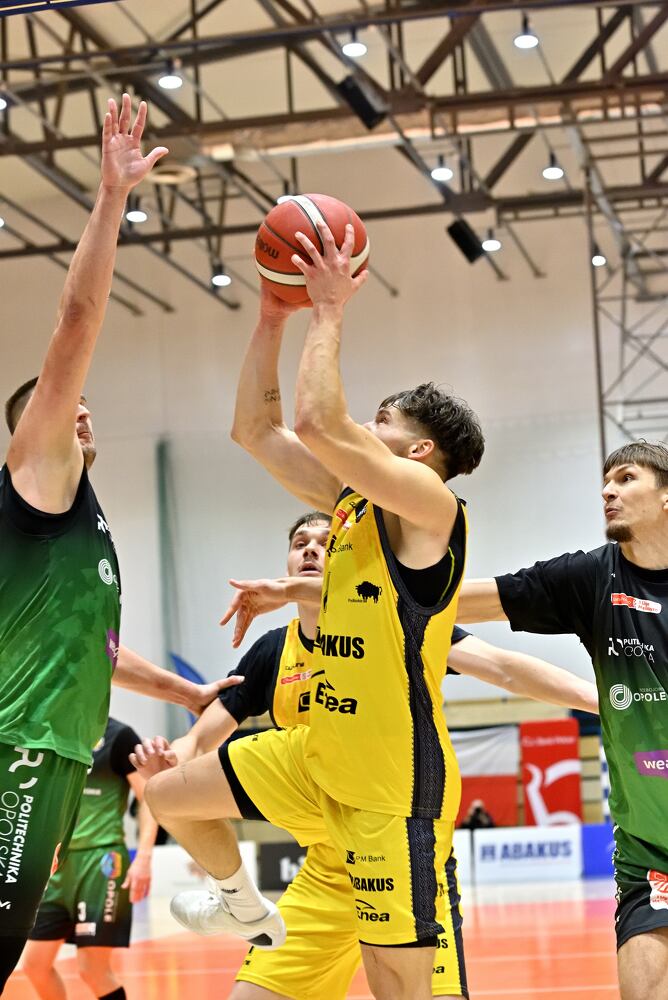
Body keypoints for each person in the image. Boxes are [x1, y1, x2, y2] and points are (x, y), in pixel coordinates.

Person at [134, 510, 598, 1000]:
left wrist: (602, 703)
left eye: (324, 541)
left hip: (406, 848)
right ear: (287, 561)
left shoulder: (392, 622)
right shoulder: (273, 650)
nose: (311, 549)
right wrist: (173, 757)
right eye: (299, 542)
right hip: (326, 870)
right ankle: (238, 902)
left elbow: (503, 667)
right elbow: (200, 737)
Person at [0, 95, 238, 990]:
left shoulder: (79, 522)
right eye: (65, 408)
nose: (82, 412)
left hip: (54, 751)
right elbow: (77, 321)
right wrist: (110, 197)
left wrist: (187, 690)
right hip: (22, 745)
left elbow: (100, 651)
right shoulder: (38, 473)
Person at [454, 440, 668, 1000]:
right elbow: (476, 599)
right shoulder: (592, 577)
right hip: (650, 850)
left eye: (626, 478)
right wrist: (349, 598)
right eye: (605, 481)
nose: (607, 491)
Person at [20, 717, 158, 1000]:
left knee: (93, 970)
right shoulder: (50, 730)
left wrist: (144, 857)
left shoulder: (119, 736)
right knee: (34, 966)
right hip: (55, 864)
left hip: (101, 861)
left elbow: (149, 798)